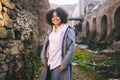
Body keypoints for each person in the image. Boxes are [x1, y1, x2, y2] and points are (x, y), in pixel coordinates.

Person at [40, 7, 75, 80]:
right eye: (53, 16)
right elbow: (46, 45)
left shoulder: (67, 30)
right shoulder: (50, 30)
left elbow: (71, 49)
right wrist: (43, 58)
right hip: (49, 61)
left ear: (61, 17)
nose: (55, 18)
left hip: (59, 63)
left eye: (57, 16)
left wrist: (64, 64)